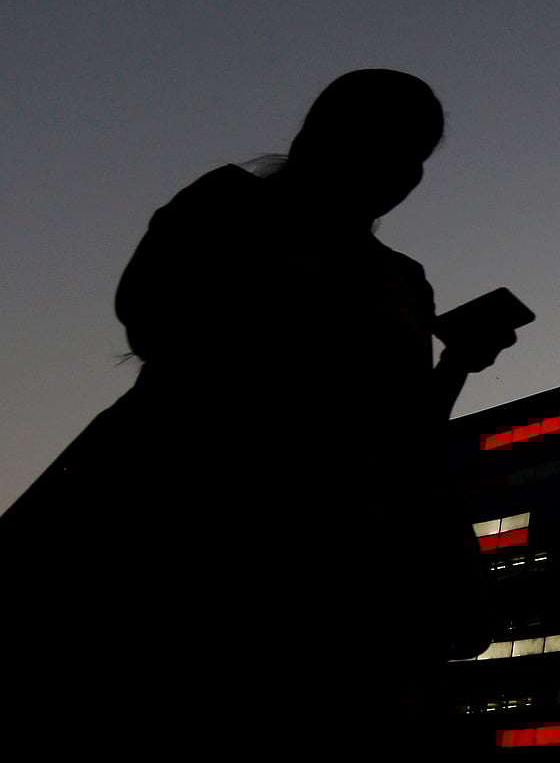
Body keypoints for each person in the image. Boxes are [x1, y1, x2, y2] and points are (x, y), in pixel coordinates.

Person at [0, 69, 511, 753]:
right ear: (319, 137)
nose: (400, 170)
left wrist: (457, 363)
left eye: (415, 154)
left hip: (337, 533)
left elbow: (404, 430)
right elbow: (154, 320)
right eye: (383, 142)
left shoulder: (403, 277)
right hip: (180, 495)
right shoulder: (227, 204)